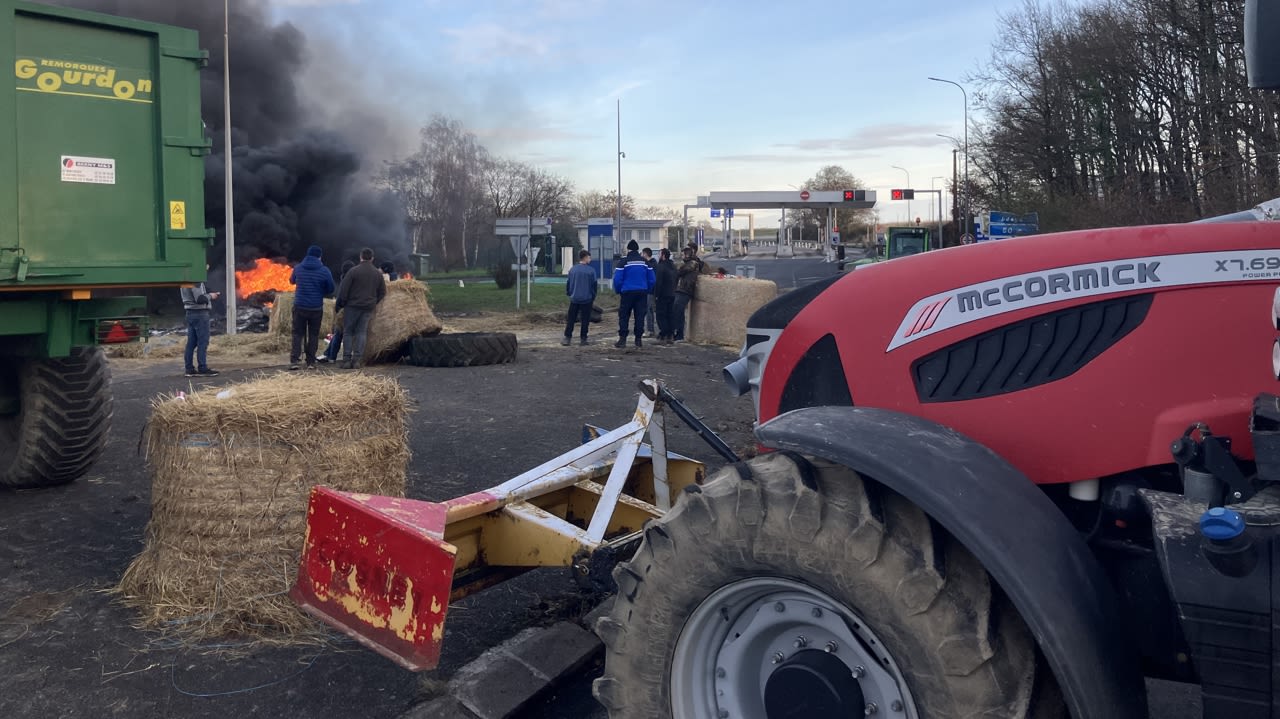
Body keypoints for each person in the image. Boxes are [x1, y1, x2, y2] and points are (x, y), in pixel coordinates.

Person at [335, 247, 386, 369]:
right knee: (361, 332)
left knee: (348, 332)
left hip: (352, 306)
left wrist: (342, 303)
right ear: (372, 258)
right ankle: (357, 360)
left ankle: (347, 360)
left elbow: (344, 290)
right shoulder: (377, 274)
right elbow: (383, 292)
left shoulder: (353, 271)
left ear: (361, 257)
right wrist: (374, 301)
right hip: (368, 307)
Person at [288, 245, 336, 370]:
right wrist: (321, 290)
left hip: (299, 306)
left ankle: (294, 361)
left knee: (297, 334)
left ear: (307, 255)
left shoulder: (298, 268)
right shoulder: (324, 270)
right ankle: (310, 362)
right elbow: (331, 289)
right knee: (313, 335)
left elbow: (291, 281)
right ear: (319, 257)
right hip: (315, 308)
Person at [611, 239, 655, 348]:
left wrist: (618, 290)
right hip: (642, 293)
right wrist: (648, 289)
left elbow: (617, 279)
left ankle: (622, 340)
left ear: (628, 250)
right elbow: (652, 280)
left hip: (627, 293)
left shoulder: (623, 262)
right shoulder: (645, 262)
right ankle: (638, 340)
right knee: (640, 316)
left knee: (624, 315)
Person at [181, 267, 220, 377]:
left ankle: (189, 369)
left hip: (190, 313)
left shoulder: (184, 281)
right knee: (203, 342)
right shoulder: (196, 281)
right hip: (200, 314)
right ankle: (202, 368)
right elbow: (199, 299)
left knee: (191, 343)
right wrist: (211, 296)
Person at [673, 243, 713, 342]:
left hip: (685, 290)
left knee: (679, 311)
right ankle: (677, 334)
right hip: (681, 289)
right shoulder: (690, 262)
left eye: (686, 251)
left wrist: (681, 266)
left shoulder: (693, 263)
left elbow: (680, 271)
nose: (683, 254)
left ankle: (679, 335)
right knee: (677, 311)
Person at [319, 259, 355, 364]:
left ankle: (330, 355)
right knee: (339, 334)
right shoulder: (351, 280)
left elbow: (340, 297)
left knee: (338, 334)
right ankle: (330, 355)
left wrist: (337, 309)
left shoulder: (344, 279)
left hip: (343, 311)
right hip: (348, 310)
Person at [563, 250, 598, 346]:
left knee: (571, 319)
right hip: (587, 299)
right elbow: (594, 286)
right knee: (585, 320)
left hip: (574, 298)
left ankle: (567, 337)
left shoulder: (573, 269)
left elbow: (568, 284)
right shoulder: (591, 271)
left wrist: (570, 293)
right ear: (586, 258)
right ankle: (583, 339)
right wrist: (593, 296)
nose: (590, 260)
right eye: (589, 258)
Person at [654, 247, 677, 345]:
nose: (658, 256)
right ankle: (670, 334)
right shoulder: (673, 266)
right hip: (672, 293)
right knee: (670, 314)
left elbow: (658, 282)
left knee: (661, 314)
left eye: (659, 254)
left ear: (663, 255)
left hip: (663, 294)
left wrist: (656, 294)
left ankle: (663, 333)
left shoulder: (661, 266)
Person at [641, 247, 657, 337]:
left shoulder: (651, 264)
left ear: (645, 254)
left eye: (642, 254)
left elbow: (651, 279)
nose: (641, 256)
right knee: (649, 310)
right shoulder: (653, 263)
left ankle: (650, 330)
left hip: (650, 290)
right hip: (649, 290)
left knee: (648, 310)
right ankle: (650, 330)